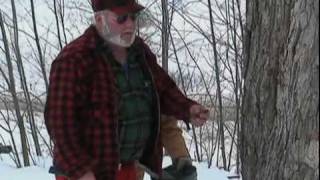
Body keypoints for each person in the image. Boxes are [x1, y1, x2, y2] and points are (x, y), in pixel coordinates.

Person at [44, 0, 209, 180]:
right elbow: (60, 125)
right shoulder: (74, 59)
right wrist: (82, 171)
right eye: (121, 18)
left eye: (133, 17)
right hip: (82, 173)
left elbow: (163, 90)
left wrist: (187, 109)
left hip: (127, 169)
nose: (130, 24)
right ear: (100, 20)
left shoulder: (139, 51)